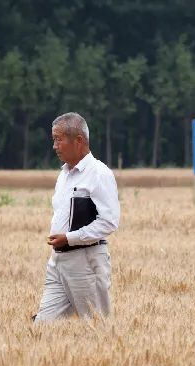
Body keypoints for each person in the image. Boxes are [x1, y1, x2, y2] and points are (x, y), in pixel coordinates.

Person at [33, 112, 120, 322]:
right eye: (54, 140)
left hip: (86, 260)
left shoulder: (99, 174)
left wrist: (69, 238)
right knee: (42, 328)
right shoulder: (64, 174)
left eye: (58, 139)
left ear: (78, 141)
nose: (54, 146)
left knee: (97, 327)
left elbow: (109, 222)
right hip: (58, 261)